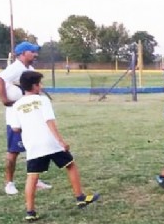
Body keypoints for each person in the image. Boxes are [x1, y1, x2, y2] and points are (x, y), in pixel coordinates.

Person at [11, 71, 100, 221]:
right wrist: (61, 141)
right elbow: (49, 121)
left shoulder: (17, 105)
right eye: (40, 83)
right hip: (50, 142)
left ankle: (30, 212)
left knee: (32, 177)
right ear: (35, 85)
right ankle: (80, 197)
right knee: (70, 165)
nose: (42, 86)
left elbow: (15, 128)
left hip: (33, 145)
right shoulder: (43, 100)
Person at [0, 41, 52, 195]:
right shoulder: (15, 68)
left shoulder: (29, 69)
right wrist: (5, 99)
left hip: (30, 116)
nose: (35, 54)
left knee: (33, 148)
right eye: (32, 52)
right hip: (16, 117)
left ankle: (35, 179)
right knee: (13, 151)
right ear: (23, 53)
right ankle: (9, 183)